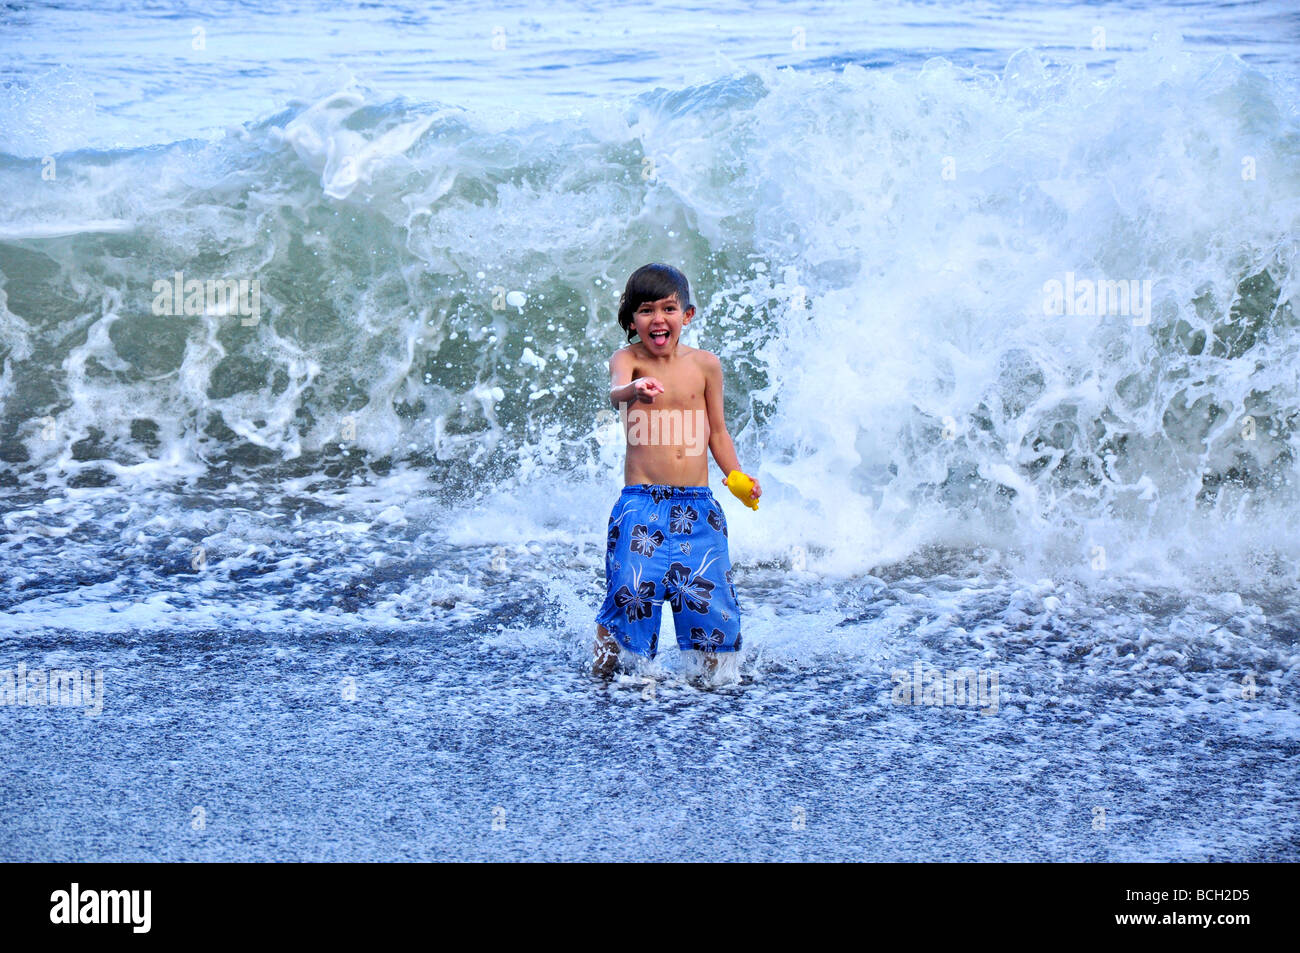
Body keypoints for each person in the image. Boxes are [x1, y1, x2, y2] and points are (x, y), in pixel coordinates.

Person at [593, 263, 760, 677]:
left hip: (697, 505)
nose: (658, 319)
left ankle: (713, 684)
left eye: (668, 308)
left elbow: (717, 431)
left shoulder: (706, 365)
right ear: (632, 320)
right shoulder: (627, 360)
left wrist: (736, 476)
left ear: (686, 315)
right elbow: (616, 391)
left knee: (707, 602)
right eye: (646, 310)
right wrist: (634, 390)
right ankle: (602, 676)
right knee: (629, 592)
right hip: (641, 504)